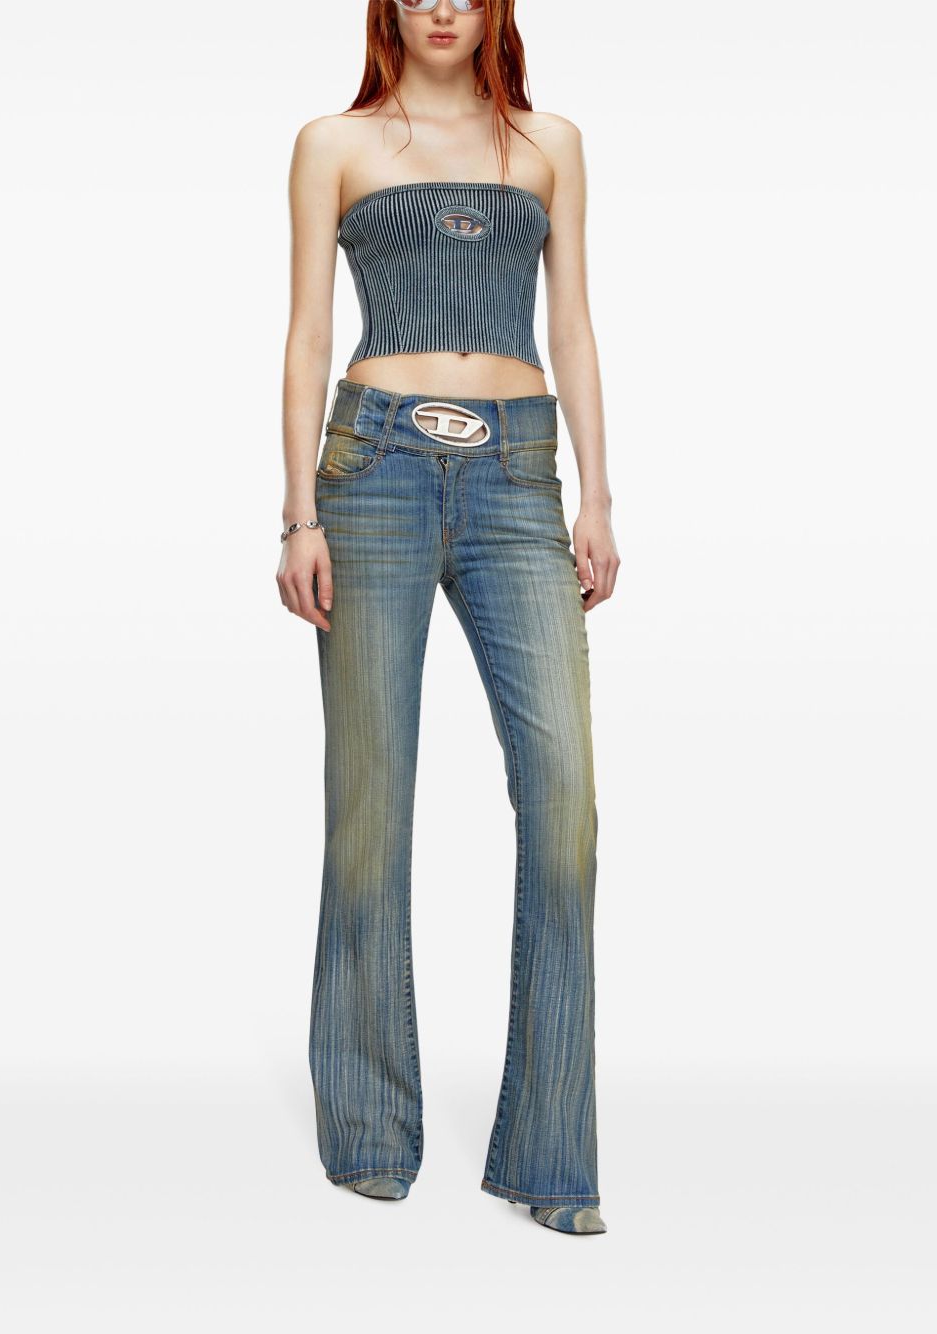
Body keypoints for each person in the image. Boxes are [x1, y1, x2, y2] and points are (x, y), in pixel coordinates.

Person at [277, 0, 619, 1236]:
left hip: (518, 472)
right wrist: (297, 515)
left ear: (492, 8)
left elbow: (569, 323)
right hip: (370, 469)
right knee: (370, 806)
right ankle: (370, 1126)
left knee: (565, 803)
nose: (439, 7)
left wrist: (595, 494)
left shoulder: (547, 142)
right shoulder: (333, 143)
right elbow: (309, 332)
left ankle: (549, 1153)